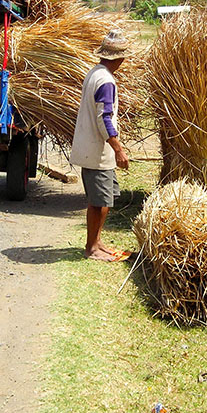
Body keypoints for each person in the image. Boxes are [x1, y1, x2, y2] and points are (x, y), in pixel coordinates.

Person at [70, 29, 132, 261]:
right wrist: (119, 149)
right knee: (100, 202)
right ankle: (92, 248)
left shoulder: (95, 72)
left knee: (101, 200)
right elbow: (104, 117)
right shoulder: (106, 80)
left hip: (94, 150)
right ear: (120, 58)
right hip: (98, 151)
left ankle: (95, 242)